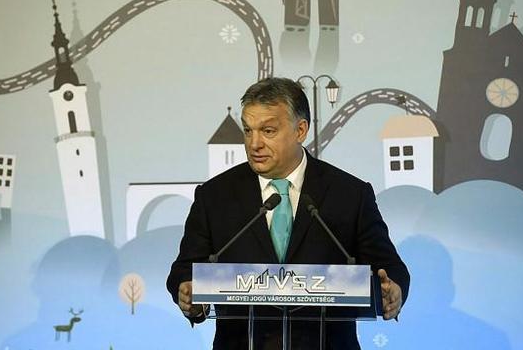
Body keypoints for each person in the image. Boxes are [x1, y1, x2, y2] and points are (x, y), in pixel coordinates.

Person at [167, 78, 409, 349]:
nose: (254, 143)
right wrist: (188, 293)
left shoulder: (350, 194)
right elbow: (184, 270)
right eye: (247, 130)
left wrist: (393, 291)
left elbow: (390, 268)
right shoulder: (215, 196)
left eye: (268, 131)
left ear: (300, 130)